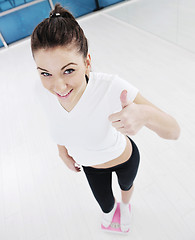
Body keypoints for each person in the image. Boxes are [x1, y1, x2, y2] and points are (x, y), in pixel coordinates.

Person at [31, 3, 180, 232]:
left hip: (124, 157)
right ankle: (112, 212)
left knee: (126, 187)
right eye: (46, 73)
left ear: (87, 62)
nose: (58, 85)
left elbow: (173, 131)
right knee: (105, 204)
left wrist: (144, 114)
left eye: (69, 70)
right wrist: (62, 151)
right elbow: (57, 122)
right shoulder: (43, 92)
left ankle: (127, 207)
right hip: (90, 166)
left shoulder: (111, 86)